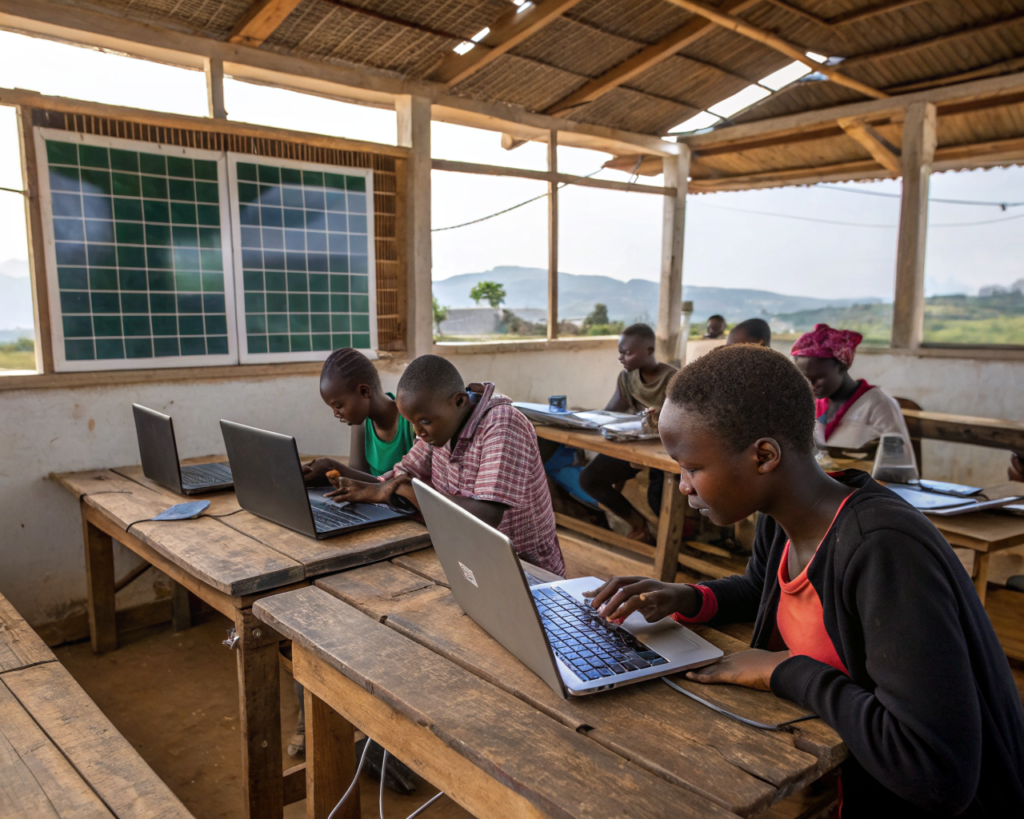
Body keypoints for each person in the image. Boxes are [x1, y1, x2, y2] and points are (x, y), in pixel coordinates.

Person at [586, 344, 1024, 817]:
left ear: (765, 456)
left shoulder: (883, 549)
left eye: (692, 468)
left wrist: (784, 671)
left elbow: (935, 772)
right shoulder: (785, 514)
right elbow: (763, 592)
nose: (683, 485)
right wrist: (686, 597)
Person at [326, 355, 565, 575]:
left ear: (459, 401)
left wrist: (405, 488)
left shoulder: (502, 424)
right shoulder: (437, 427)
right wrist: (370, 487)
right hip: (466, 559)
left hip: (525, 570)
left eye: (425, 422)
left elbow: (484, 517)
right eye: (412, 423)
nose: (418, 432)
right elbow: (402, 473)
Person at [578, 323, 676, 541]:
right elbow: (613, 410)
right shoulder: (626, 378)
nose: (621, 358)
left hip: (666, 452)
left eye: (627, 353)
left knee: (658, 499)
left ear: (650, 350)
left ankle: (676, 545)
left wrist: (662, 415)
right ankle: (638, 525)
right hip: (636, 447)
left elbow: (683, 419)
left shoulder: (673, 379)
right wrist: (581, 420)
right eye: (619, 353)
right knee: (589, 479)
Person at [791, 323, 914, 460]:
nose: (811, 385)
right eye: (804, 379)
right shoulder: (812, 405)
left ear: (841, 366)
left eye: (818, 378)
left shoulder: (879, 405)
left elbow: (899, 461)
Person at [302, 348, 416, 486]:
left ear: (364, 391)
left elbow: (411, 487)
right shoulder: (361, 423)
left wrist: (334, 466)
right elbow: (357, 477)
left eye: (338, 406)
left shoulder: (412, 421)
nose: (336, 414)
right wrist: (326, 472)